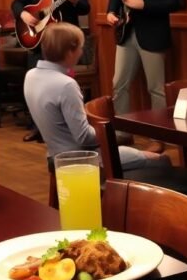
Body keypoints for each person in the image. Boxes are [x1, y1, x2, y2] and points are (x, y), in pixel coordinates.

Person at [26, 22, 167, 171]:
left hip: (54, 154)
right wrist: (109, 129)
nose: (81, 53)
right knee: (160, 161)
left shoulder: (30, 75)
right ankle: (121, 193)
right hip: (81, 158)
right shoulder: (66, 85)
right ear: (69, 53)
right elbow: (84, 138)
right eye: (80, 48)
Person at [11, 0, 91, 143]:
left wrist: (75, 0)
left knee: (63, 86)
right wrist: (23, 14)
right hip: (38, 42)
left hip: (63, 45)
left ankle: (65, 127)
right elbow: (17, 3)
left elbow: (85, 9)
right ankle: (37, 127)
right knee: (36, 86)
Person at [106, 0, 180, 118]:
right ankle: (123, 132)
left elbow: (174, 2)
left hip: (153, 36)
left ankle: (159, 136)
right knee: (118, 84)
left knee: (155, 89)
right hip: (126, 34)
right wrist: (111, 11)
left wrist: (144, 5)